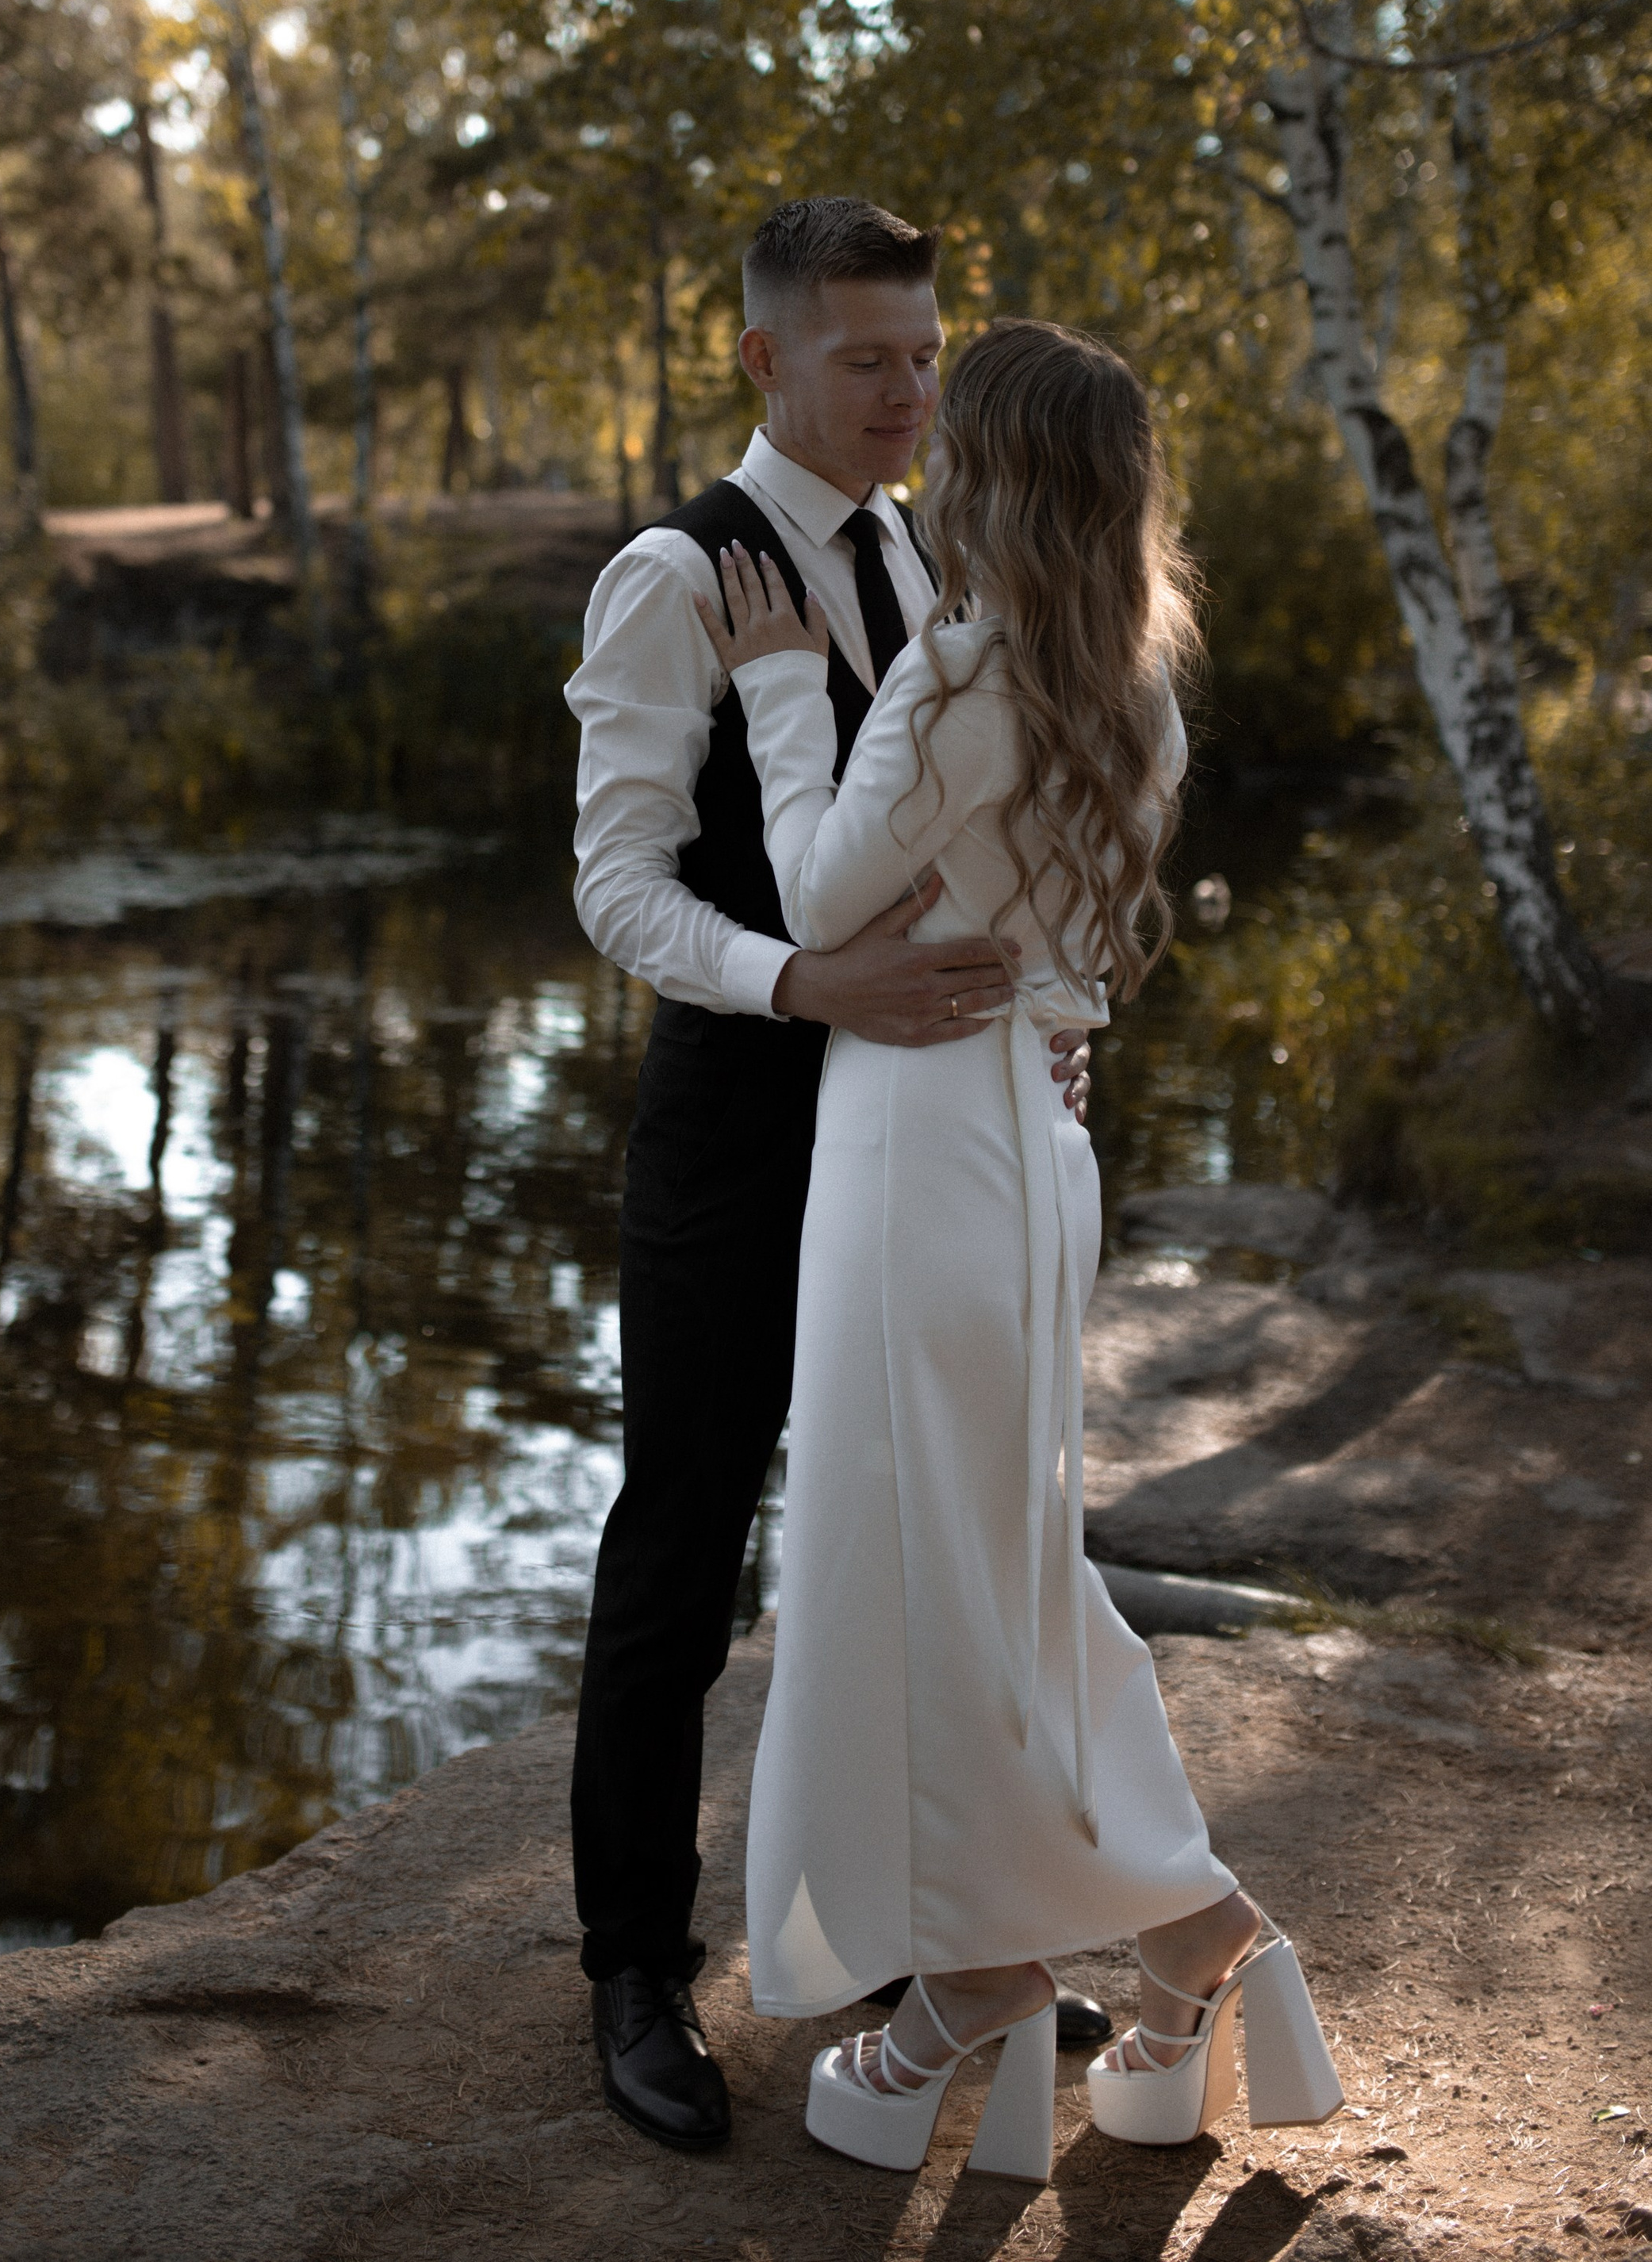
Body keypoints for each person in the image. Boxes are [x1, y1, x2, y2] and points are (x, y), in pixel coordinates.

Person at [695, 316, 1343, 2178]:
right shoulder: (1134, 687)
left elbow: (819, 900)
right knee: (969, 1567)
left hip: (917, 1146)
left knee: (950, 1573)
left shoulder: (953, 679)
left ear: (989, 482)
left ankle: (1133, 1951)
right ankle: (1055, 1967)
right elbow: (1046, 942)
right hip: (1035, 1149)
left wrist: (780, 689)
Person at [563, 197, 1106, 2153]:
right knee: (681, 1551)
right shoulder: (670, 575)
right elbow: (614, 883)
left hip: (927, 1141)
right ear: (763, 360)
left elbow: (1003, 817)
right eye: (864, 356)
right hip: (733, 1140)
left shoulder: (925, 551)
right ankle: (633, 1970)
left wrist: (1051, 1005)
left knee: (902, 1540)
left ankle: (907, 1930)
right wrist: (806, 980)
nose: (905, 394)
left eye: (923, 354)